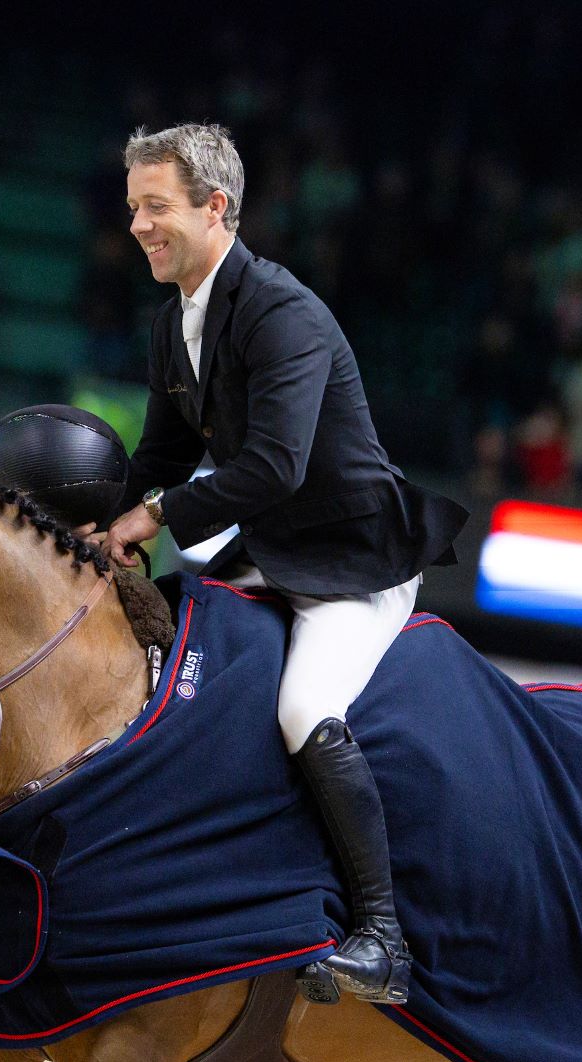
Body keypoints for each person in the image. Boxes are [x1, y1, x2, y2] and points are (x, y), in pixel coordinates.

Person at [88, 124, 467, 1005]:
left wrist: (157, 517)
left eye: (157, 207)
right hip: (275, 551)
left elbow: (274, 466)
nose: (138, 224)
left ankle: (383, 938)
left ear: (215, 208)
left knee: (303, 707)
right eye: (133, 206)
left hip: (354, 556)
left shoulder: (283, 311)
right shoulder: (175, 317)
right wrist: (97, 525)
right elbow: (163, 456)